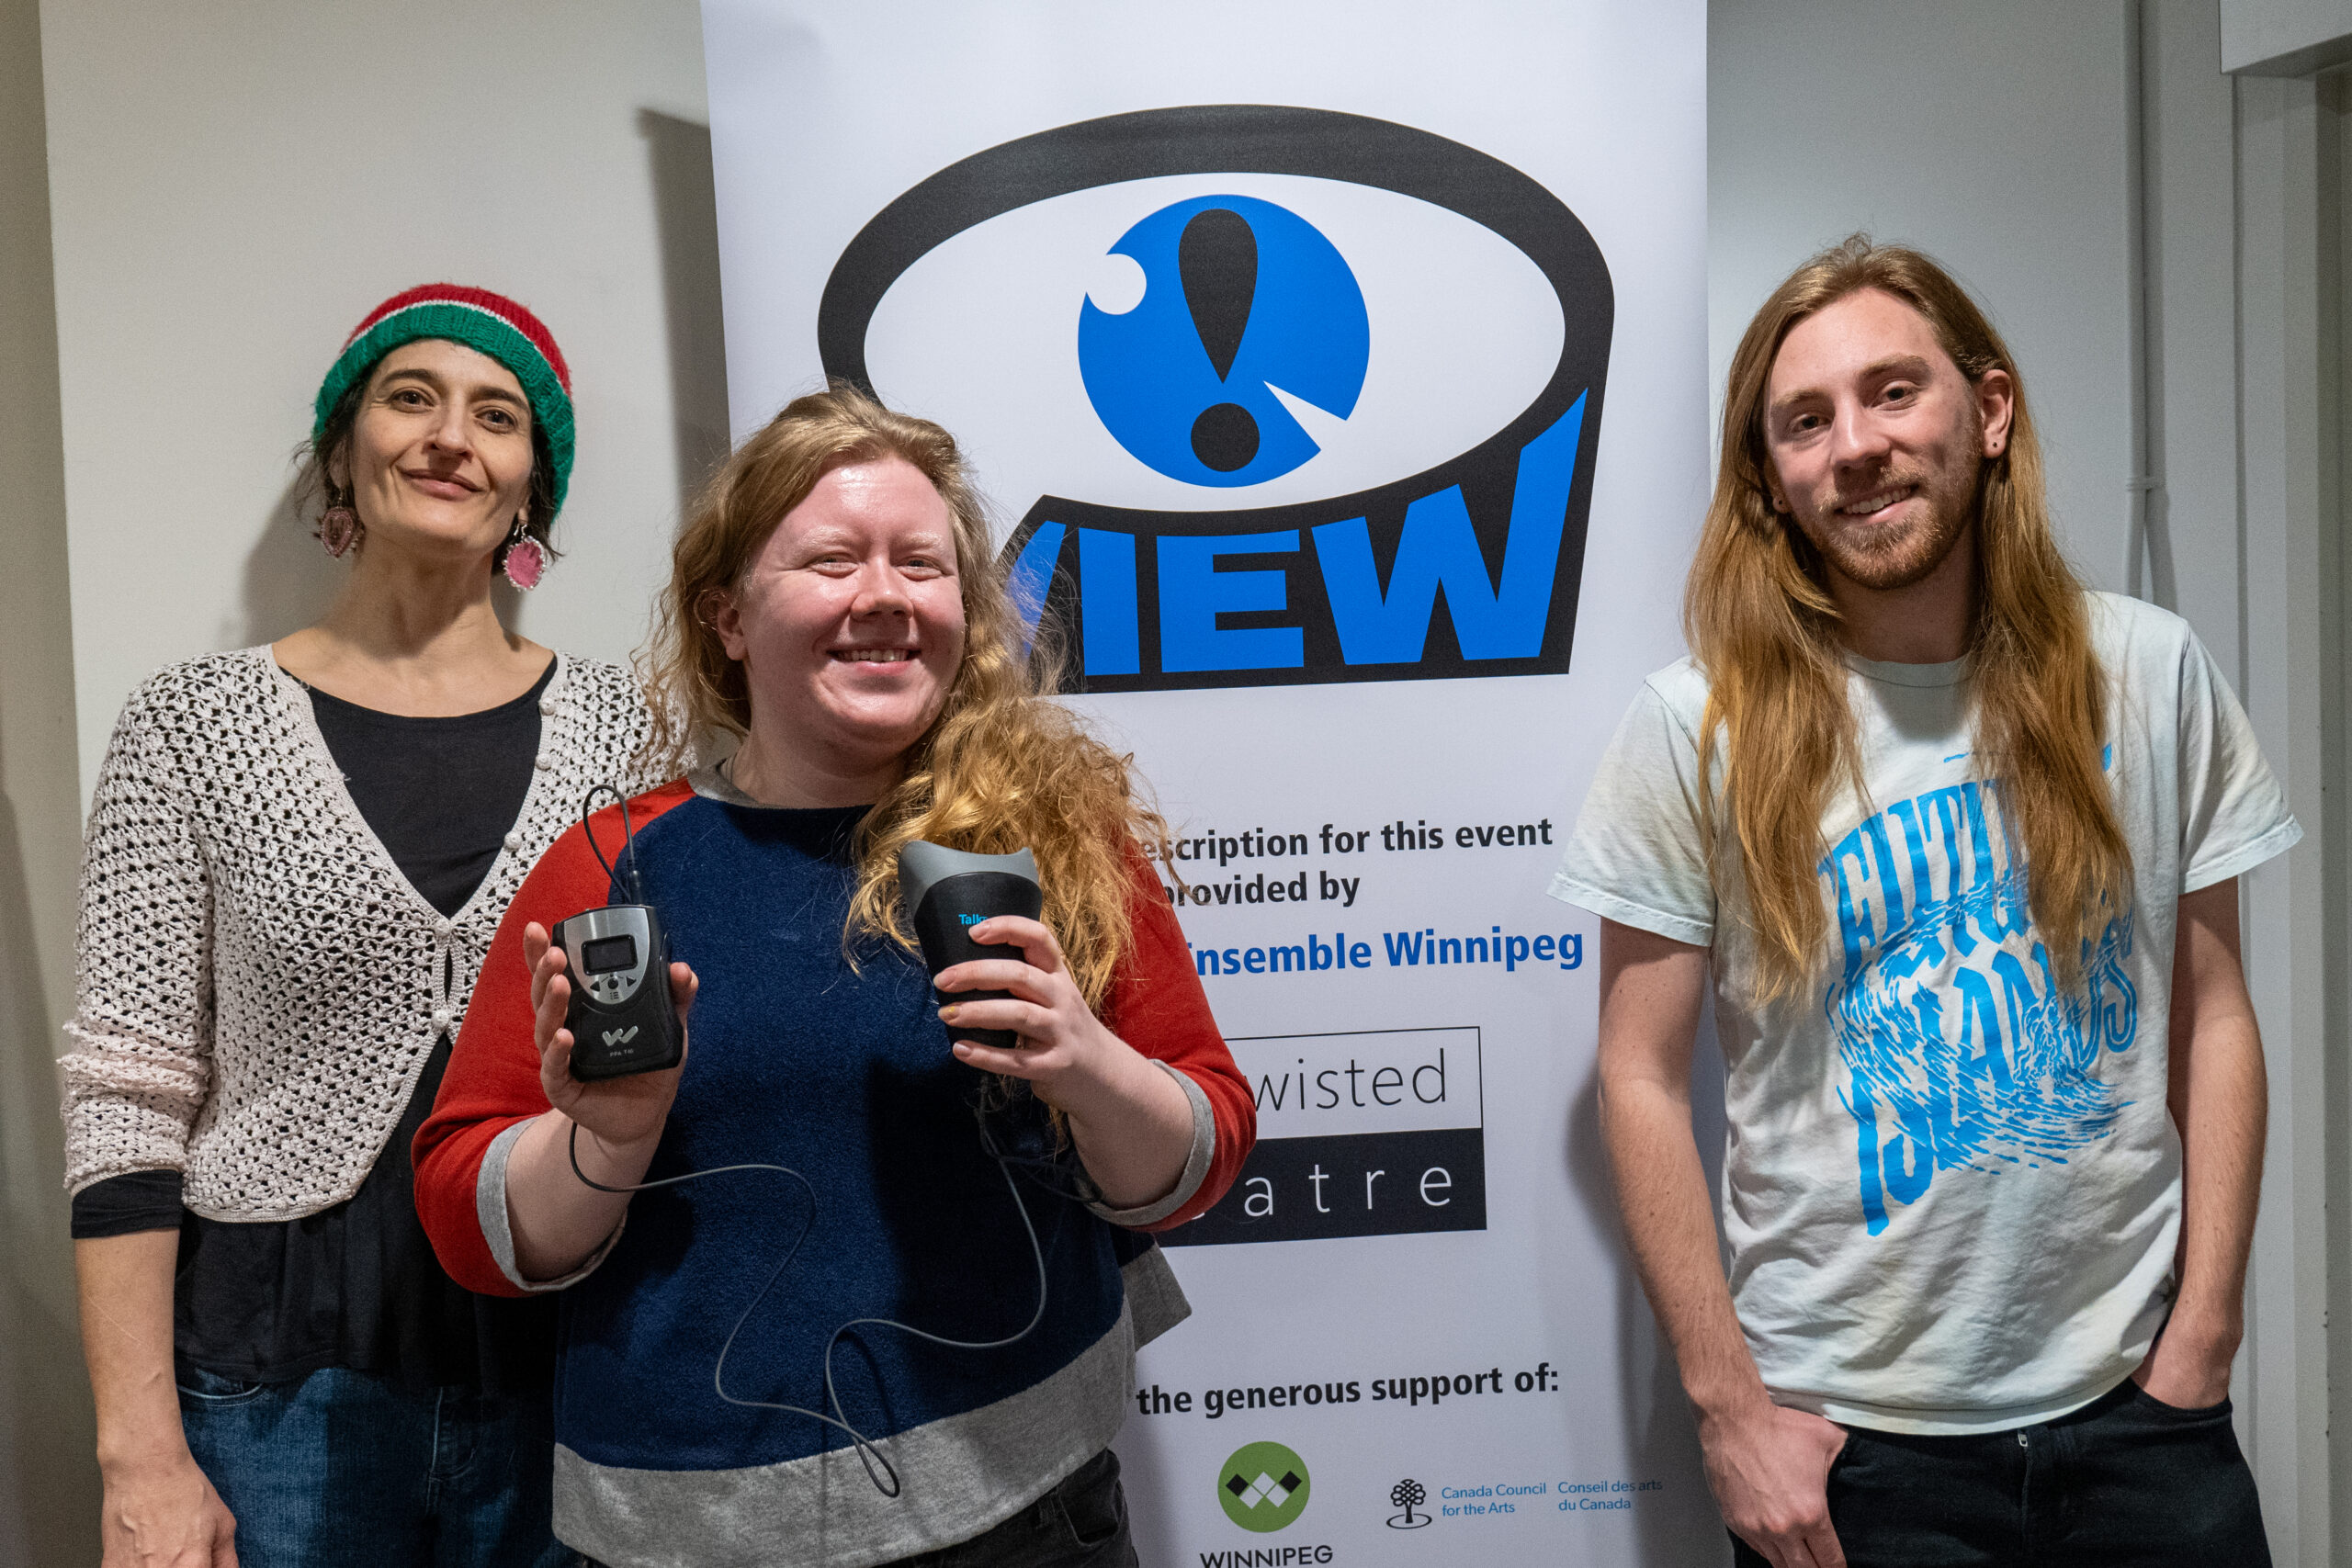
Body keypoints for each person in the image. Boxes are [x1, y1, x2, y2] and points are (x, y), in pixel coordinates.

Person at [413, 385, 1253, 1568]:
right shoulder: (615, 868)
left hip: (1030, 1508)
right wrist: (603, 1144)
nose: (885, 598)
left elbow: (1200, 1149)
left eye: (923, 563)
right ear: (728, 617)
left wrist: (1090, 1065)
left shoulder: (1057, 835)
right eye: (831, 560)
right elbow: (464, 1218)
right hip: (692, 1533)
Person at [1553, 237, 2294, 1567]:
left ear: (1989, 412)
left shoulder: (2148, 671)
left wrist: (2207, 1333)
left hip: (2142, 1418)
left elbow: (2214, 1010)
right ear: (1771, 478)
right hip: (1852, 1452)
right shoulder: (1693, 729)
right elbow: (1640, 1076)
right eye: (1806, 421)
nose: (1855, 445)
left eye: (1894, 392)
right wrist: (1731, 1414)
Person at [63, 284, 668, 1568]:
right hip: (277, 1390)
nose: (452, 436)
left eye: (497, 415)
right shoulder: (192, 728)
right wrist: (138, 1458)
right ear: (343, 451)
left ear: (530, 491)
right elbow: (125, 1094)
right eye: (412, 398)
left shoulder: (629, 735)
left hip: (566, 1366)